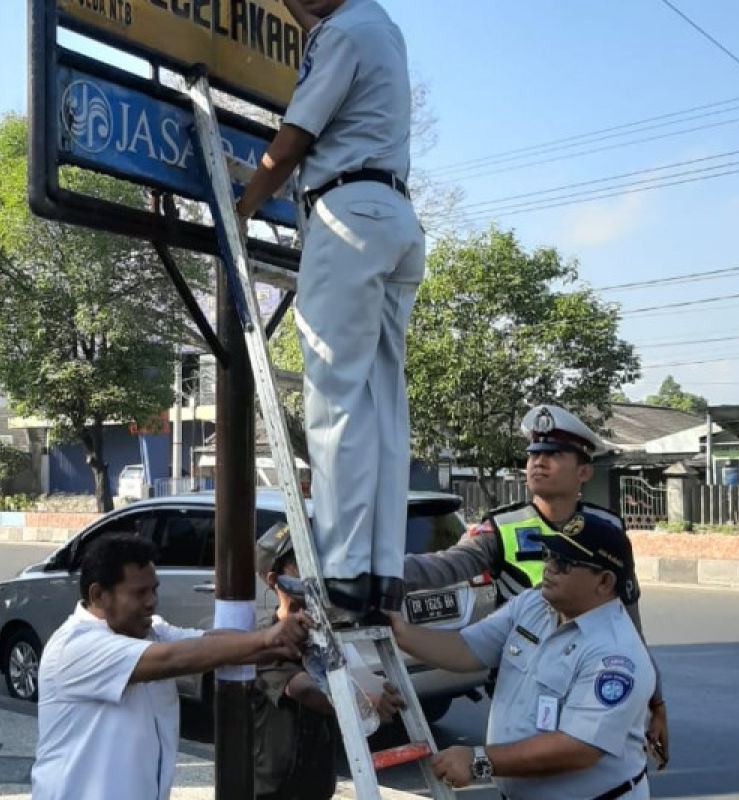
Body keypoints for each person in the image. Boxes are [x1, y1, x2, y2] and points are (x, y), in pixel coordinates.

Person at [235, 0, 424, 622]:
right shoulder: (383, 29)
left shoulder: (341, 32)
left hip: (348, 217)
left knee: (335, 395)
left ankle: (341, 570)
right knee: (382, 401)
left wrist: (244, 205)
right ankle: (379, 572)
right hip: (396, 217)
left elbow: (293, 139)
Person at [403, 404, 669, 767]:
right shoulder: (500, 527)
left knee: (584, 769)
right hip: (522, 682)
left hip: (587, 676)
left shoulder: (607, 529)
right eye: (533, 454)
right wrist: (381, 576)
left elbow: (631, 622)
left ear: (584, 471)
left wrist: (656, 702)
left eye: (554, 454)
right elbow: (443, 566)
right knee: (523, 766)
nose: (538, 463)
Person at [392, 513, 657, 799]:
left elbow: (578, 749)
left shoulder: (615, 654)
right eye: (549, 555)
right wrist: (400, 632)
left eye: (565, 563)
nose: (549, 567)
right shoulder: (535, 604)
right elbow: (467, 648)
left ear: (604, 582)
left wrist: (480, 760)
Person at [31, 534, 310, 800]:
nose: (151, 602)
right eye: (139, 593)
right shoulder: (76, 647)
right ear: (98, 595)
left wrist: (281, 641)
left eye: (154, 590)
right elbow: (172, 658)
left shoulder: (149, 631)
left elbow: (208, 642)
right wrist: (266, 638)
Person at [252, 523, 404, 800]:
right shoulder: (265, 641)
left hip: (317, 788)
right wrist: (364, 702)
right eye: (300, 564)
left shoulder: (330, 633)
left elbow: (360, 678)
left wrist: (384, 695)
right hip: (271, 791)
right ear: (274, 580)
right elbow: (306, 690)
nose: (315, 571)